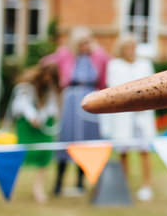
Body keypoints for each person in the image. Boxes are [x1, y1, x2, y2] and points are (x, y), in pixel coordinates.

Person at [41, 28, 108, 196]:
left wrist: (96, 49)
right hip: (71, 99)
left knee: (87, 141)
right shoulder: (65, 54)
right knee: (67, 139)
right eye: (82, 42)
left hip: (91, 98)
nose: (86, 45)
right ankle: (59, 183)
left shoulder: (97, 57)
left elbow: (108, 65)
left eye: (88, 41)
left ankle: (80, 182)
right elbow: (44, 63)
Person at [101, 35, 158, 201]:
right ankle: (124, 185)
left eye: (134, 47)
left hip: (142, 114)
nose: (131, 50)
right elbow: (114, 88)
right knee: (123, 151)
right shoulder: (114, 65)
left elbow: (151, 85)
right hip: (123, 115)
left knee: (144, 150)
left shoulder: (144, 64)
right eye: (128, 47)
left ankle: (147, 185)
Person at [6, 61, 62, 203]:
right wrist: (32, 117)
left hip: (44, 125)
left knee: (44, 154)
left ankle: (38, 189)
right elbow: (22, 104)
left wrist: (41, 118)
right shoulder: (26, 86)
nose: (48, 79)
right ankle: (9, 187)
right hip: (26, 124)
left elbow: (51, 106)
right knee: (21, 154)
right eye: (46, 76)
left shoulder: (52, 88)